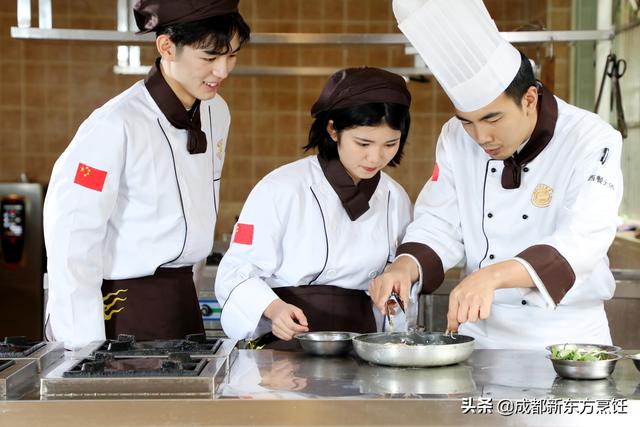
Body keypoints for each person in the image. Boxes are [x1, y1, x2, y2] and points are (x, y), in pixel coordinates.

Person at [370, 0, 623, 349]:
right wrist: (405, 266)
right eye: (468, 122)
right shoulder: (456, 137)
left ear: (530, 99)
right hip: (481, 335)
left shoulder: (591, 138)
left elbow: (584, 239)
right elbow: (440, 222)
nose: (481, 137)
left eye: (493, 119)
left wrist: (494, 274)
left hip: (567, 337)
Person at [43, 0, 251, 349]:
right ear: (166, 46)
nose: (223, 71)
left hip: (183, 300)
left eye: (231, 55)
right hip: (125, 305)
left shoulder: (217, 112)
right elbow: (73, 232)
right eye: (210, 58)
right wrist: (81, 346)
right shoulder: (115, 123)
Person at [215, 67, 414, 349]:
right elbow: (235, 271)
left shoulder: (395, 197)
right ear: (333, 129)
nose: (376, 157)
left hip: (362, 346)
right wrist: (273, 308)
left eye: (390, 144)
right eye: (363, 143)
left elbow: (400, 276)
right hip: (286, 342)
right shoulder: (281, 187)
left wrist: (393, 302)